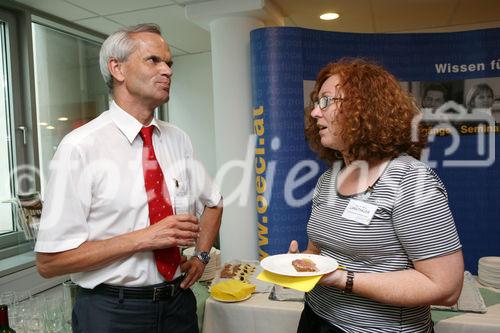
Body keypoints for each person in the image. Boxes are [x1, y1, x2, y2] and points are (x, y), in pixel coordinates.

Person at [35, 23, 223, 333]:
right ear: (117, 69)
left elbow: (214, 202)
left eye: (169, 63)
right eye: (154, 60)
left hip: (179, 304)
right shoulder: (80, 147)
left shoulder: (178, 140)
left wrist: (201, 257)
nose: (167, 70)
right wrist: (144, 238)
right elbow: (49, 262)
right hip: (111, 313)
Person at [290, 58, 464, 333]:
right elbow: (319, 250)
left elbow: (445, 287)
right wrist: (302, 261)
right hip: (315, 317)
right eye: (316, 103)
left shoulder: (411, 180)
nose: (314, 113)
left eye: (325, 101)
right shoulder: (328, 179)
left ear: (364, 108)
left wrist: (342, 279)